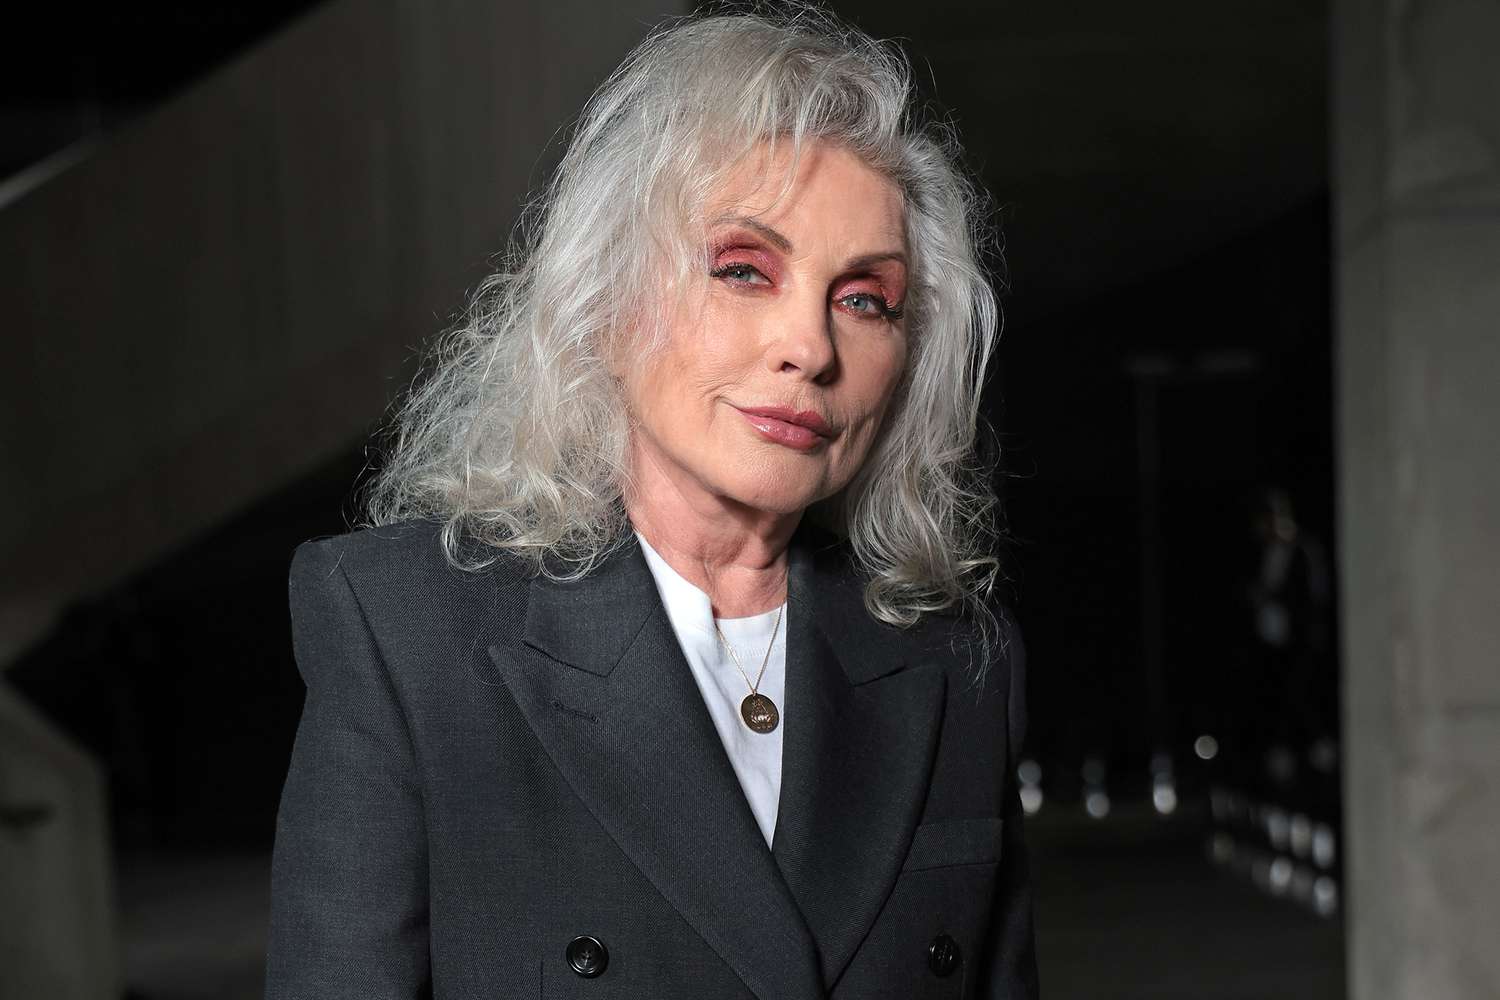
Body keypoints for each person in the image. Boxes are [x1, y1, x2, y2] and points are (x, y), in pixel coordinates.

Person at [265, 8, 1038, 999]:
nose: (810, 347)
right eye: (743, 270)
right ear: (608, 295)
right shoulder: (409, 631)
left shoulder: (960, 662)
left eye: (864, 299)